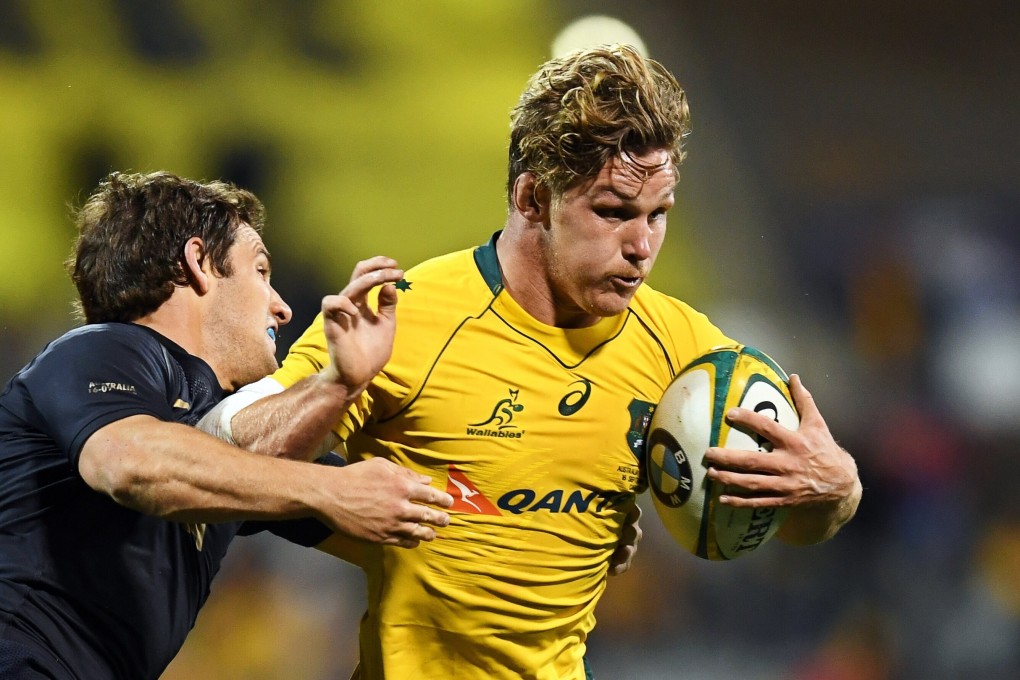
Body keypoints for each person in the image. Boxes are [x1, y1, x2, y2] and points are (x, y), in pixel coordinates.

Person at [208, 44, 863, 680]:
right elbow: (226, 457)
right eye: (612, 212)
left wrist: (837, 491)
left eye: (658, 215)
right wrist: (336, 387)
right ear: (531, 199)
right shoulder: (404, 320)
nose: (641, 245)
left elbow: (793, 525)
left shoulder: (684, 354)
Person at [0, 171, 453, 680]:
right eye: (260, 271)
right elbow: (128, 462)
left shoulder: (216, 440)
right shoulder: (102, 348)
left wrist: (341, 386)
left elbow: (414, 525)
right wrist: (330, 487)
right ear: (198, 263)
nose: (282, 308)